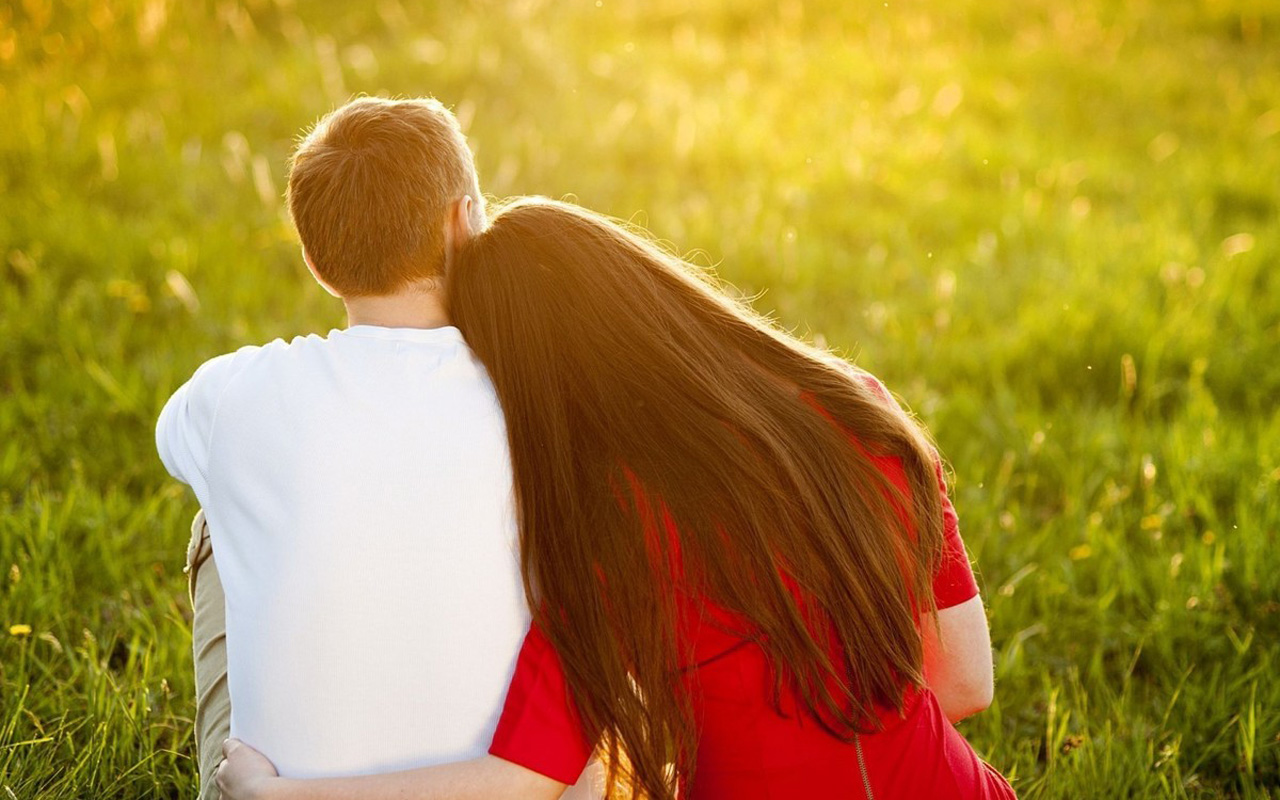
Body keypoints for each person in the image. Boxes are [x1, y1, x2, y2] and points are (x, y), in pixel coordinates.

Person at [217, 198, 1016, 799]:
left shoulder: (611, 528)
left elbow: (517, 784)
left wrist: (278, 793)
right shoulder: (851, 405)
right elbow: (965, 680)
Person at [158, 99, 597, 798]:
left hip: (273, 787)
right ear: (466, 223)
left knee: (218, 515)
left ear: (314, 262)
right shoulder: (539, 402)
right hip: (514, 780)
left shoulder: (233, 395)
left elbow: (173, 438)